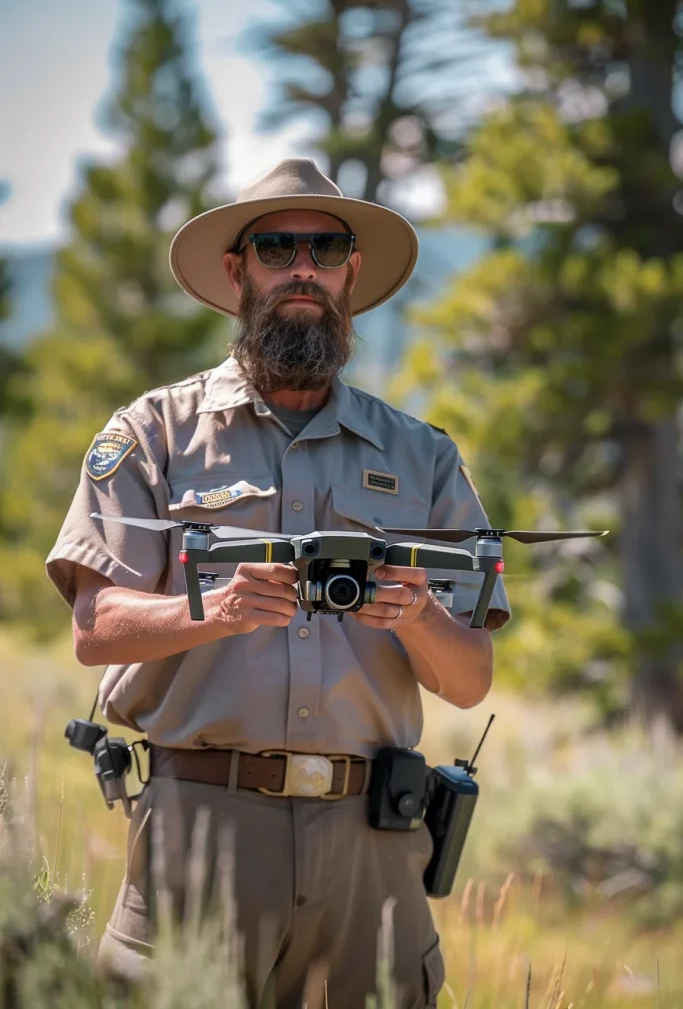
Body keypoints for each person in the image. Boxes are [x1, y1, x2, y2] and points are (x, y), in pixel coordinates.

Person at [46, 157, 510, 1008]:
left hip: (373, 843)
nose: (304, 268)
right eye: (277, 247)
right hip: (201, 832)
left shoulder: (423, 454)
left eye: (325, 249)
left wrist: (414, 615)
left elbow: (469, 676)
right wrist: (217, 611)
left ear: (350, 274)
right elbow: (94, 626)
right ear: (237, 271)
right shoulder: (151, 434)